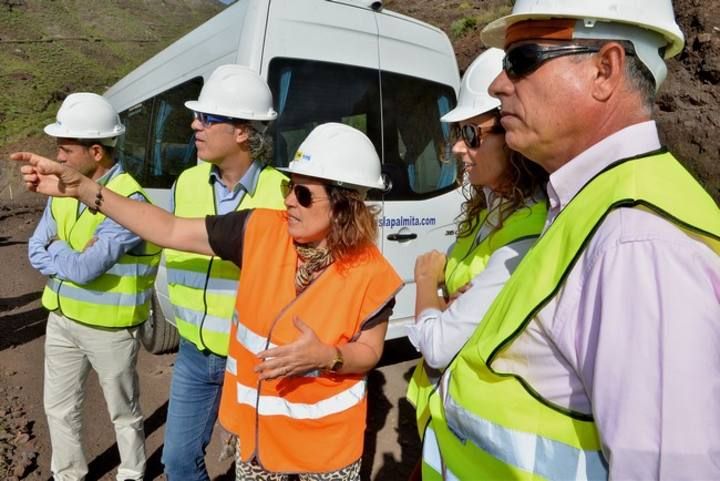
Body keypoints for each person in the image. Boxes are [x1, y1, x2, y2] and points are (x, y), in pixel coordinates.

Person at [425, 0, 720, 479]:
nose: (499, 85)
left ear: (605, 70)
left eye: (520, 61)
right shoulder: (595, 208)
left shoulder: (637, 243)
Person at [12, 122, 404, 481]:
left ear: (345, 204)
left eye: (302, 193)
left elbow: (369, 352)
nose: (288, 201)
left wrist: (327, 355)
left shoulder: (372, 272)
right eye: (288, 187)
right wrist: (83, 188)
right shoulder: (259, 229)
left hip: (326, 449)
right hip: (258, 442)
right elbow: (167, 228)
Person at [405, 47, 548, 478]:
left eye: (472, 133)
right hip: (442, 419)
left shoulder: (528, 228)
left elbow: (437, 345)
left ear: (512, 131)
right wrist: (449, 306)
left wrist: (427, 282)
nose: (458, 148)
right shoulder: (488, 211)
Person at [160, 64, 286, 481]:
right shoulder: (187, 183)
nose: (194, 124)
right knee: (177, 462)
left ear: (243, 132)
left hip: (252, 358)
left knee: (259, 463)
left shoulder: (282, 194)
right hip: (194, 352)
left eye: (208, 118)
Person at [26, 92, 160, 481]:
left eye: (65, 149)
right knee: (58, 407)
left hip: (111, 328)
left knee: (123, 409)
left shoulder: (130, 199)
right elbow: (36, 250)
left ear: (96, 151)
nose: (59, 158)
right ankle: (69, 474)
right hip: (62, 318)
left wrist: (60, 253)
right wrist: (68, 253)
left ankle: (132, 472)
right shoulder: (61, 190)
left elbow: (88, 268)